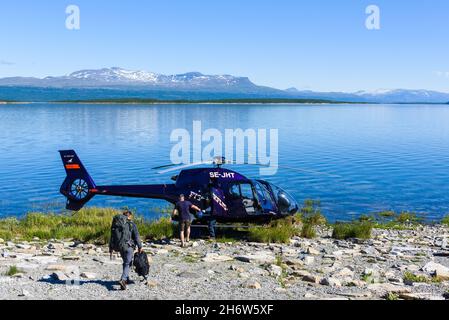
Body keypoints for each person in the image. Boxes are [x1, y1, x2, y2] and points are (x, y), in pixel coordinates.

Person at [109, 210, 143, 291]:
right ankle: (123, 279)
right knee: (128, 263)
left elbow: (112, 237)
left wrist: (110, 248)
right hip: (129, 246)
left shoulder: (116, 224)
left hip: (119, 246)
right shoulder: (131, 224)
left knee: (126, 262)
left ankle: (127, 279)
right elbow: (137, 236)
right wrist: (140, 246)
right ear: (130, 216)